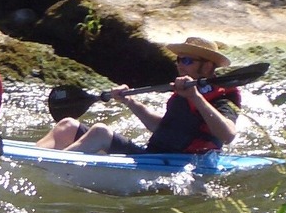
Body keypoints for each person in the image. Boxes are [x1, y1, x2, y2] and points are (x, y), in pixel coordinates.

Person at [37, 36, 239, 155]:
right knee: (68, 125)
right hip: (154, 155)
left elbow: (228, 135)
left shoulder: (223, 97)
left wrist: (195, 97)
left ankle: (50, 166)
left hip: (182, 163)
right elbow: (159, 127)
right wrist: (129, 101)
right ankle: (30, 160)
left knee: (100, 131)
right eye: (179, 59)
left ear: (208, 65)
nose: (179, 64)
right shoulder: (183, 90)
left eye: (187, 60)